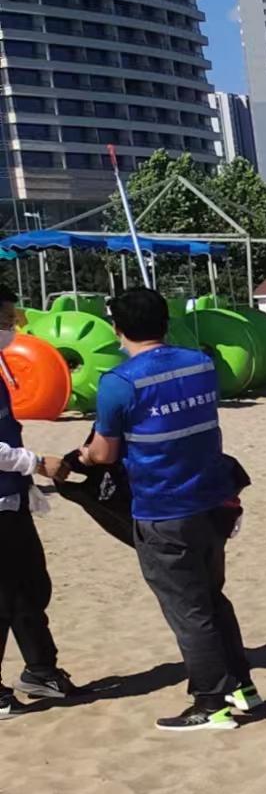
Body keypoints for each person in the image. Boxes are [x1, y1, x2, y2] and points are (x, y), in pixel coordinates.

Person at [51, 288, 257, 732]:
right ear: (166, 322)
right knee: (211, 597)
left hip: (163, 508)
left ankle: (211, 702)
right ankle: (242, 685)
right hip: (211, 501)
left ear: (116, 328)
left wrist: (77, 459)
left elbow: (104, 452)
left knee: (188, 610)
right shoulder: (201, 365)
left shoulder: (120, 382)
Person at [0, 283, 82, 717]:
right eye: (3, 321)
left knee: (30, 586)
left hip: (11, 499)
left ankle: (41, 670)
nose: (11, 329)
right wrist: (35, 462)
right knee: (4, 595)